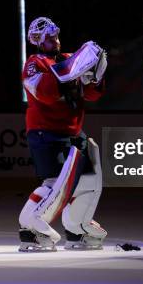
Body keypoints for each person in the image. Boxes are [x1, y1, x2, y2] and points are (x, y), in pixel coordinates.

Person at [18, 17, 107, 252]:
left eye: (56, 36)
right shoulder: (34, 64)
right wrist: (76, 65)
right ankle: (30, 229)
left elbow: (91, 94)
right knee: (54, 183)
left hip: (74, 132)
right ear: (38, 41)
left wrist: (96, 77)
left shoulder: (69, 60)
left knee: (90, 179)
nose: (55, 41)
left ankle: (77, 228)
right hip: (46, 133)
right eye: (49, 38)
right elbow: (46, 93)